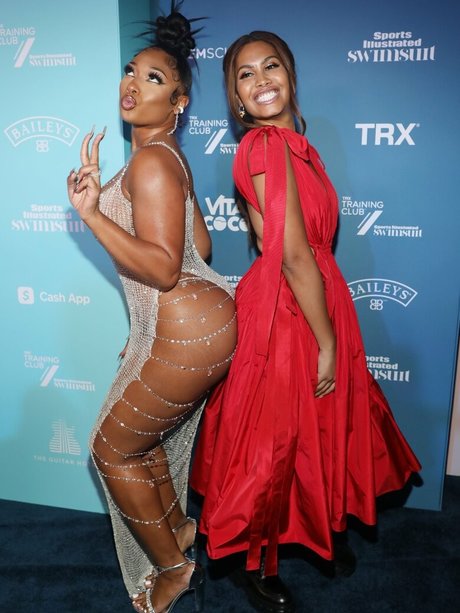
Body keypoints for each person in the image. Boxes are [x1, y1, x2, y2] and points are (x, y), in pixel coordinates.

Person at [190, 30, 421, 612]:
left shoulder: (298, 146)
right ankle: (251, 558)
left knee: (316, 426)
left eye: (271, 66)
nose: (260, 80)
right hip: (289, 306)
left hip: (316, 292)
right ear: (236, 98)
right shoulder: (266, 146)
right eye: (245, 74)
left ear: (290, 77)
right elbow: (292, 253)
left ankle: (318, 526)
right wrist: (326, 341)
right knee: (272, 438)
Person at [66, 5, 236, 613]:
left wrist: (92, 215)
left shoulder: (152, 159)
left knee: (110, 449)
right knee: (140, 443)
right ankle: (181, 530)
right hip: (194, 323)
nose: (134, 84)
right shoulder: (167, 157)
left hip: (182, 326)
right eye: (131, 71)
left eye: (154, 78)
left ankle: (172, 570)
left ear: (179, 102)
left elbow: (164, 269)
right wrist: (143, 331)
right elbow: (201, 247)